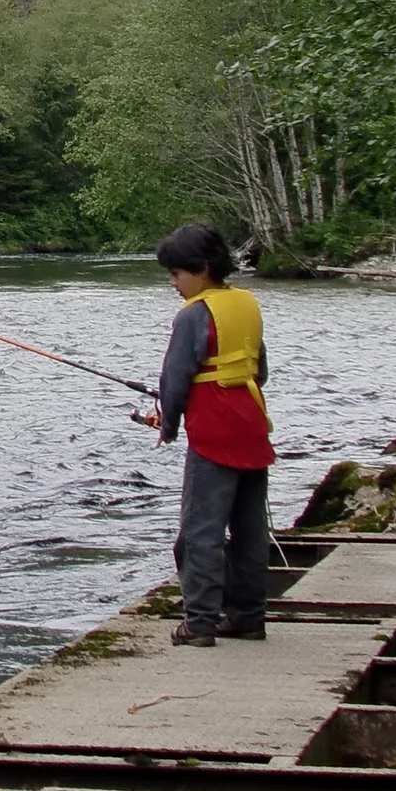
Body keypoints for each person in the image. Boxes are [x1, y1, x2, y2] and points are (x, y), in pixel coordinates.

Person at [149, 223, 275, 646]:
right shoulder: (246, 303)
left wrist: (167, 425)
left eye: (175, 274)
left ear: (201, 270)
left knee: (200, 531)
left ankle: (200, 622)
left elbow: (175, 379)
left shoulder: (192, 315)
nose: (172, 283)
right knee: (250, 528)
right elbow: (260, 371)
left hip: (214, 434)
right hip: (252, 425)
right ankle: (248, 617)